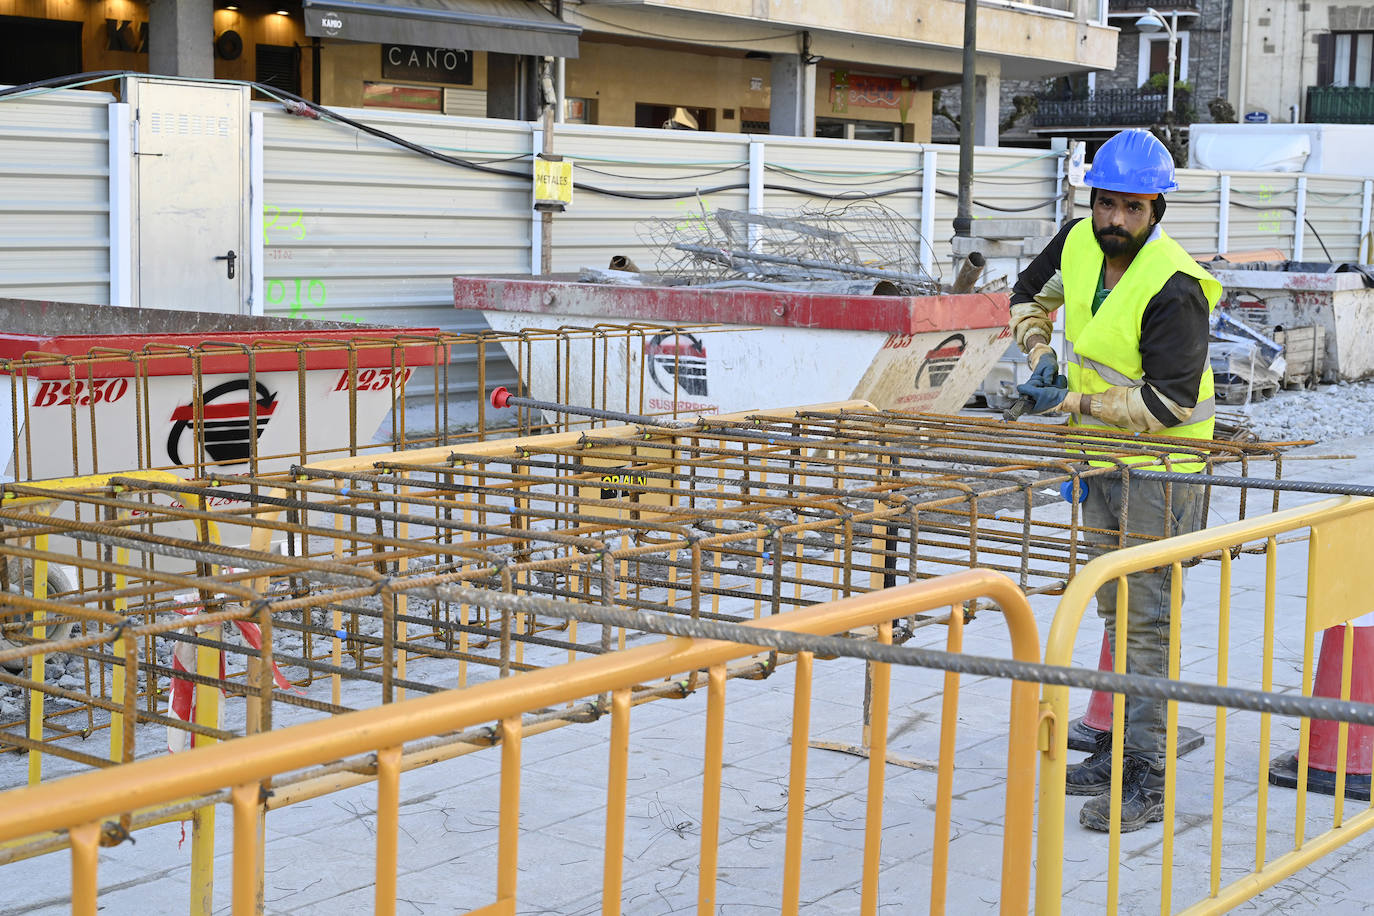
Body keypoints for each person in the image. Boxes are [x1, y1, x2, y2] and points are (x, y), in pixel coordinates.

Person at [1009, 129, 1221, 832]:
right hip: (1099, 460)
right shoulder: (1077, 241)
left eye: (1131, 208)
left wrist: (1067, 400)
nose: (1114, 221)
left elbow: (1168, 405)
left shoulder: (1175, 285)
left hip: (1162, 470)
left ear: (1156, 208)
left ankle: (1148, 777)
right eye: (1105, 203)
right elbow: (1025, 296)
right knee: (1112, 611)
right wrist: (1039, 351)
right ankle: (1117, 749)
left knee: (1148, 622)